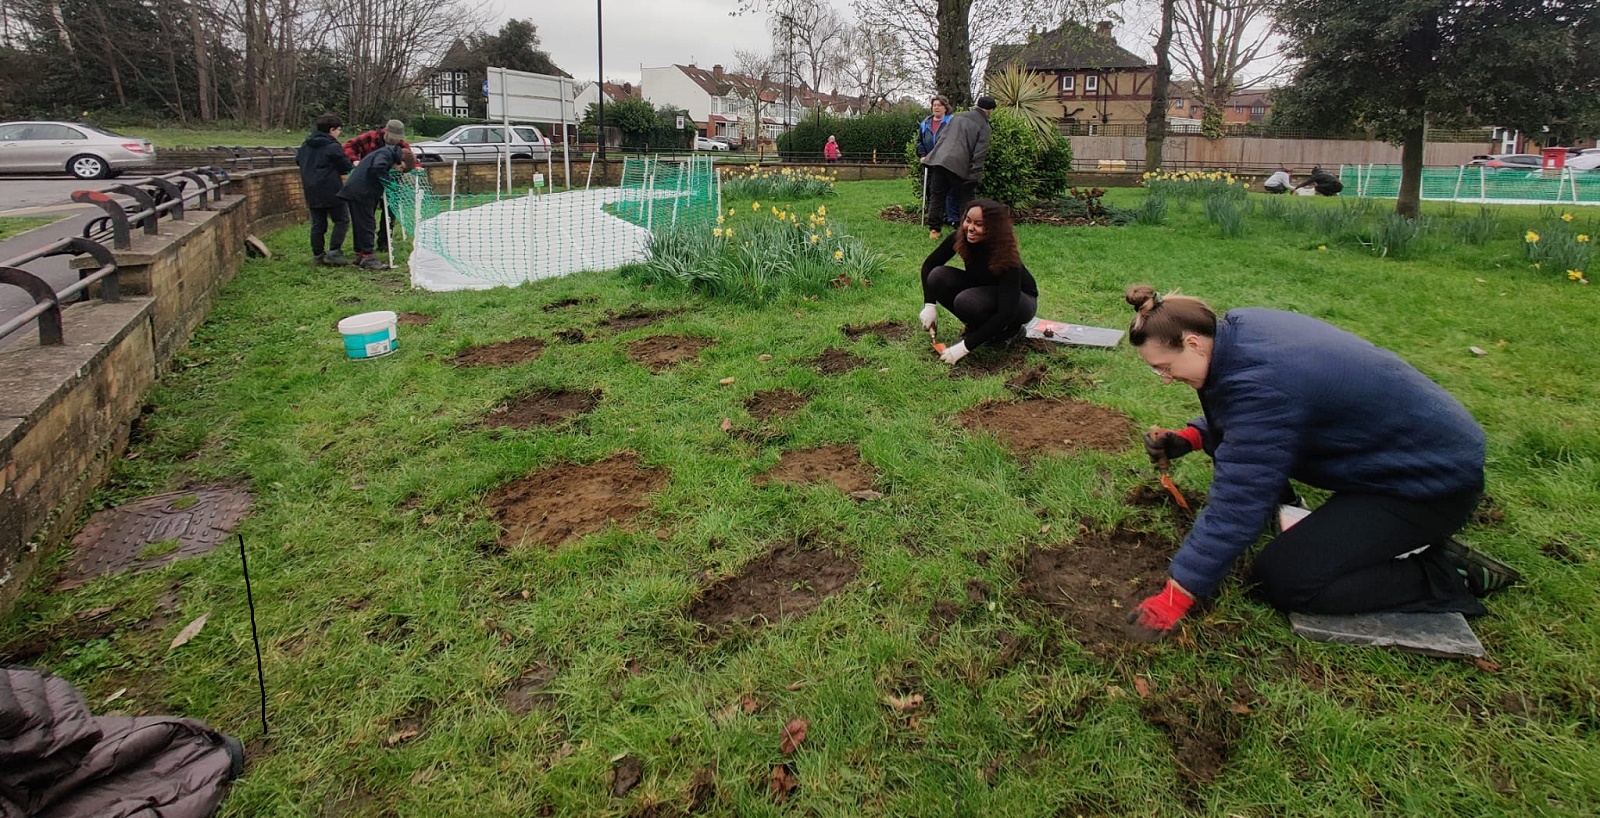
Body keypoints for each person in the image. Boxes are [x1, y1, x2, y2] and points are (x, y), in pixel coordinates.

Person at [1122, 285, 1519, 642]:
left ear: (1192, 343)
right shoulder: (1241, 328)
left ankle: (1446, 574)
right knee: (1246, 457)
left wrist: (1177, 594)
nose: (1164, 378)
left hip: (1427, 484)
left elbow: (1237, 502)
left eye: (1164, 367)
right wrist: (1192, 438)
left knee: (1286, 579)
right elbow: (1251, 414)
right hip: (1402, 452)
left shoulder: (1264, 387)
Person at [918, 199, 1038, 365]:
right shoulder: (961, 237)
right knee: (937, 276)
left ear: (994, 228)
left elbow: (1006, 312)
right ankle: (979, 328)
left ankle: (1011, 331)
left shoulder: (1007, 258)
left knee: (967, 301)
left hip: (1020, 301)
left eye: (979, 224)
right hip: (983, 291)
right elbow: (929, 266)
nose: (971, 228)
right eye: (968, 220)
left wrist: (964, 348)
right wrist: (929, 305)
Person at [921, 96, 995, 241]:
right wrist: (975, 175)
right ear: (990, 110)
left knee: (937, 196)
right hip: (959, 165)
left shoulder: (957, 117)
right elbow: (979, 153)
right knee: (965, 199)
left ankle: (934, 230)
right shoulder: (984, 126)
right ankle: (965, 230)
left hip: (939, 160)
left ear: (977, 105)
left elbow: (942, 137)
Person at [338, 144, 417, 271]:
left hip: (356, 191)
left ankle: (360, 254)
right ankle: (368, 257)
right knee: (367, 224)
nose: (398, 170)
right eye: (401, 167)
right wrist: (390, 182)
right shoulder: (386, 155)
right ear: (400, 160)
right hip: (361, 192)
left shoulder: (385, 153)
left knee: (360, 224)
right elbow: (378, 167)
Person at [295, 113, 355, 266]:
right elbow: (345, 167)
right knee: (342, 219)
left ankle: (318, 254)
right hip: (331, 188)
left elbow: (298, 161)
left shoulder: (305, 144)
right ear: (332, 129)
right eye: (339, 129)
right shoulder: (332, 146)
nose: (339, 132)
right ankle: (334, 251)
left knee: (318, 223)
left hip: (310, 189)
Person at [343, 120, 411, 251]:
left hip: (392, 182)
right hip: (369, 182)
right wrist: (355, 161)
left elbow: (409, 159)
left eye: (398, 138)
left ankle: (384, 241)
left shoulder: (401, 145)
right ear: (386, 131)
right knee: (368, 215)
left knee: (390, 213)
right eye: (393, 137)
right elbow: (349, 146)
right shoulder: (370, 138)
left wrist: (415, 167)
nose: (396, 140)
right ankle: (365, 247)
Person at [915, 95, 958, 231]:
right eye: (934, 105)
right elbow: (919, 142)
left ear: (945, 108)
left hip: (947, 162)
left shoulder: (952, 122)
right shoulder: (925, 123)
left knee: (951, 192)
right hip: (930, 162)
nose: (936, 108)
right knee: (933, 192)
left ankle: (952, 219)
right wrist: (922, 155)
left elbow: (955, 141)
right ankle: (935, 220)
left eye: (939, 105)